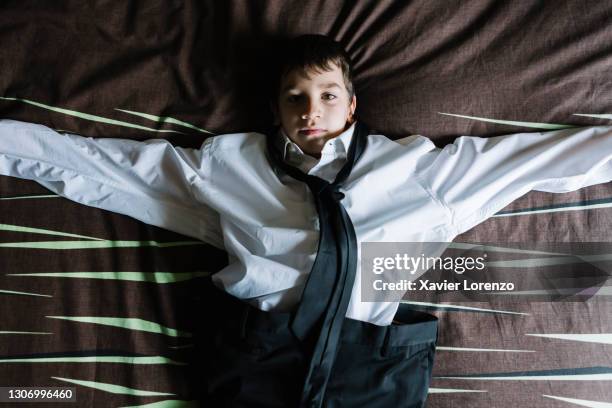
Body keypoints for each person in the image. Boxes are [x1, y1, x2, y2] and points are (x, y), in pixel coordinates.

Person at [0, 34, 611, 407]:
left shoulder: (420, 172)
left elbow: (537, 162)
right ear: (275, 108)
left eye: (325, 94)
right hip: (255, 360)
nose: (310, 110)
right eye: (294, 96)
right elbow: (103, 169)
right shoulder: (229, 166)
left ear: (351, 102)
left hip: (369, 369)